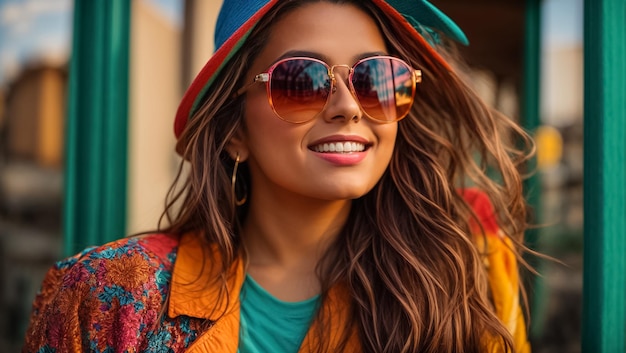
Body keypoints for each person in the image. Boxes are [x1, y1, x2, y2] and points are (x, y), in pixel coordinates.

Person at [23, 0, 534, 352]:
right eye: (301, 80)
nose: (348, 107)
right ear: (234, 132)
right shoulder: (104, 296)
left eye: (376, 78)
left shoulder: (457, 285)